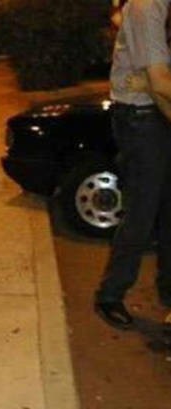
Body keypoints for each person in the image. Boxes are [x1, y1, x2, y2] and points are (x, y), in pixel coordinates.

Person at [95, 0, 171, 329]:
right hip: (140, 119)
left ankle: (168, 290)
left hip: (155, 111)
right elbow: (159, 82)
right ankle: (110, 295)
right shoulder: (146, 7)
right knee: (143, 210)